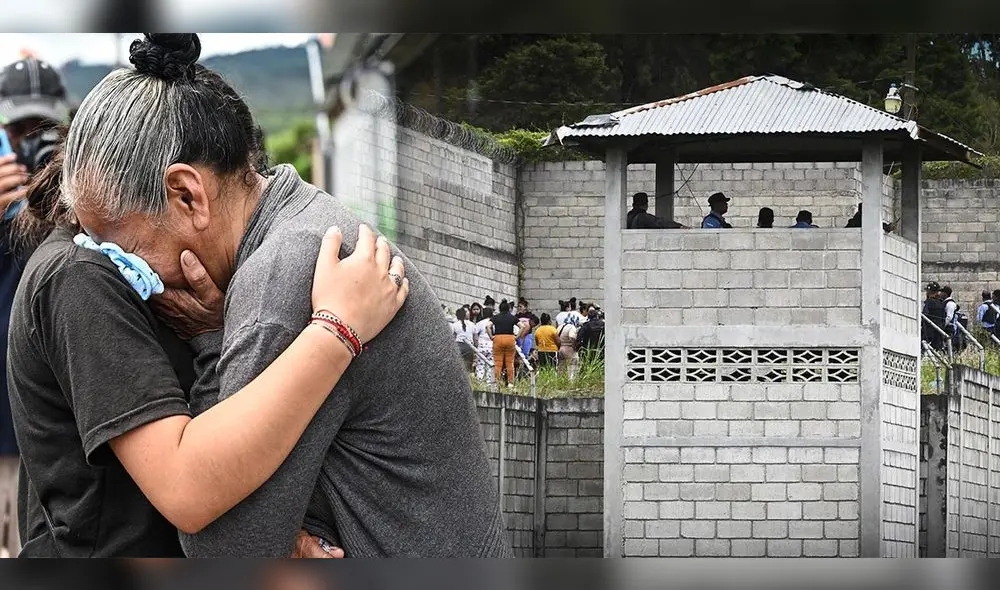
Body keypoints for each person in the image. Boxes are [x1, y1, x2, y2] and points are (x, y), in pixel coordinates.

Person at [58, 34, 510, 558]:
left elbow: (222, 553)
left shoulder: (284, 281)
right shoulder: (304, 220)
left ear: (187, 195)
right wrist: (211, 336)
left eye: (126, 251)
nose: (132, 279)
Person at [7, 146, 408, 557]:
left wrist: (277, 528)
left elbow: (220, 429)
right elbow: (185, 487)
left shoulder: (126, 271)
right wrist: (338, 329)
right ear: (183, 194)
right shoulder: (80, 279)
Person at [0, 54, 73, 560]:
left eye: (42, 130)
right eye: (19, 131)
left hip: (51, 433)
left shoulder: (79, 195)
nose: (31, 144)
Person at [489, 300, 520, 389]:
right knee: (509, 363)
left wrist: (491, 336)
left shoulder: (495, 317)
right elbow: (522, 326)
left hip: (498, 338)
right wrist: (516, 336)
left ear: (500, 309)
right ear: (509, 308)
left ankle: (496, 382)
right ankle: (510, 383)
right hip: (510, 338)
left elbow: (488, 326)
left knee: (498, 363)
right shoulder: (512, 317)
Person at [922, 282, 947, 351]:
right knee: (937, 349)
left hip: (928, 331)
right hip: (939, 331)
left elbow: (925, 315)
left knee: (925, 349)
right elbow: (944, 317)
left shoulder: (929, 302)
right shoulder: (941, 303)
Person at [474, 305, 495, 384]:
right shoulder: (494, 323)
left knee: (480, 365)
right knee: (491, 365)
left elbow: (475, 335)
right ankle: (489, 383)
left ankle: (479, 382)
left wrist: (476, 345)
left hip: (482, 346)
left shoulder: (480, 323)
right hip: (492, 346)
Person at [451, 306, 477, 371]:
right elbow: (476, 339)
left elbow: (452, 337)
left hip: (458, 346)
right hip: (469, 347)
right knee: (468, 368)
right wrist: (476, 348)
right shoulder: (472, 324)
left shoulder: (455, 324)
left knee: (457, 366)